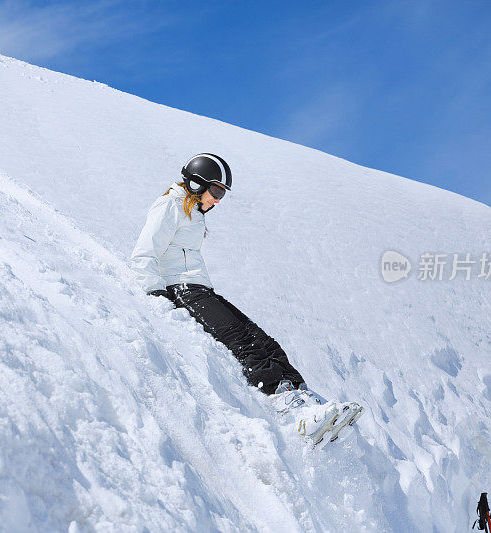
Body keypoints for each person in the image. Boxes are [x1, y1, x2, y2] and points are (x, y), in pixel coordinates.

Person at [129, 153, 361, 445]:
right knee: (243, 342)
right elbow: (144, 254)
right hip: (181, 289)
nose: (218, 200)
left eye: (222, 194)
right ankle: (290, 411)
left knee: (265, 342)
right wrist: (156, 294)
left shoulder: (192, 213)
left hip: (201, 289)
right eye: (216, 191)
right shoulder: (170, 206)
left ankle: (308, 401)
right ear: (196, 182)